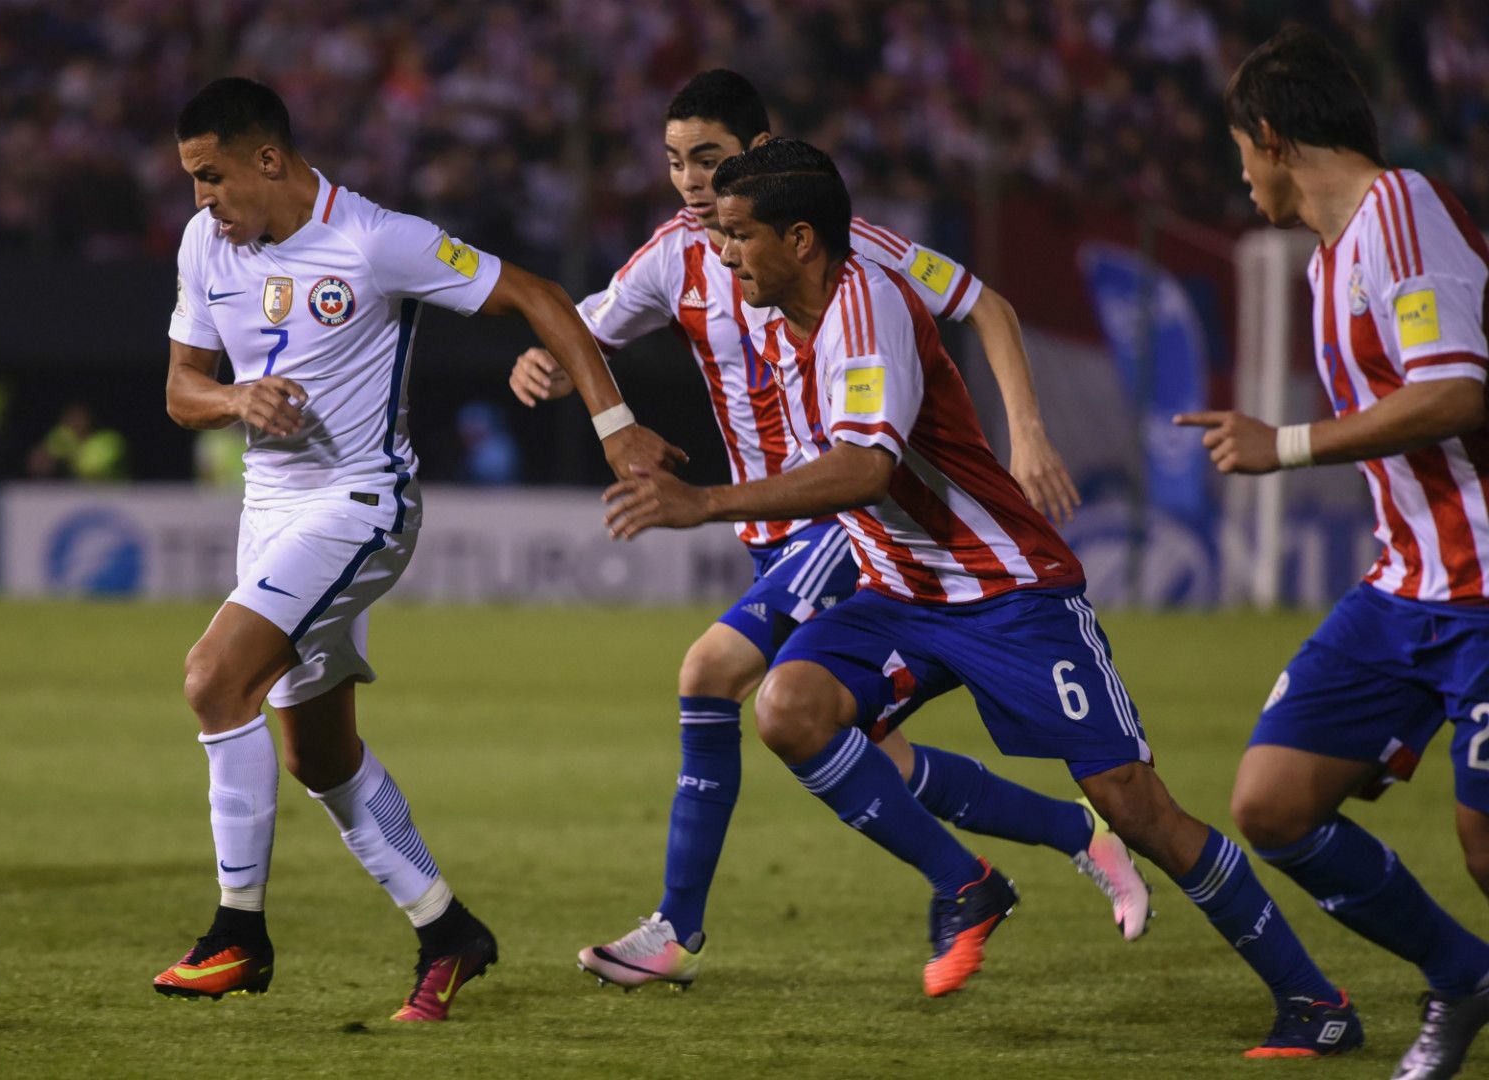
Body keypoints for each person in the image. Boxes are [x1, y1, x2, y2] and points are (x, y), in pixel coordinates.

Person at [605, 137, 1361, 1058]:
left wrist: (705, 504)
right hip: (899, 589)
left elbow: (863, 466)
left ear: (800, 240)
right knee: (790, 708)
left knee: (1139, 808)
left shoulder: (865, 309)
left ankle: (1314, 1000)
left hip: (1008, 591)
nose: (724, 256)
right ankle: (964, 882)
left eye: (739, 237)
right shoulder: (777, 310)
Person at [509, 70, 1145, 991]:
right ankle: (1074, 833)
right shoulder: (672, 258)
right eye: (676, 162)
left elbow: (986, 306)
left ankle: (684, 929)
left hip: (844, 515)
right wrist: (557, 370)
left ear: (758, 158)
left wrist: (1030, 431)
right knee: (869, 755)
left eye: (711, 160)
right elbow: (582, 330)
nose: (690, 181)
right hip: (776, 532)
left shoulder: (844, 250)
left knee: (711, 673)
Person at [153, 76, 683, 1021]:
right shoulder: (207, 245)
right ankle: (448, 929)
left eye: (210, 176)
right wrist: (238, 400)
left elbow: (540, 296)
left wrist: (616, 427)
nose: (202, 201)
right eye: (193, 181)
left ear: (268, 159)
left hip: (363, 502)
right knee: (319, 755)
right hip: (267, 517)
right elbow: (182, 388)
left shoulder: (375, 240)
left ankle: (238, 933)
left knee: (210, 679)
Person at [1176, 27, 1489, 1080]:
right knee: (1271, 803)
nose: (1241, 176)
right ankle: (1464, 975)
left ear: (1271, 137)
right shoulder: (1330, 257)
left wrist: (1287, 445)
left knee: (1487, 851)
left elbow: (1456, 392)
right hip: (1405, 591)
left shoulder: (1400, 210)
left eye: (1240, 150)